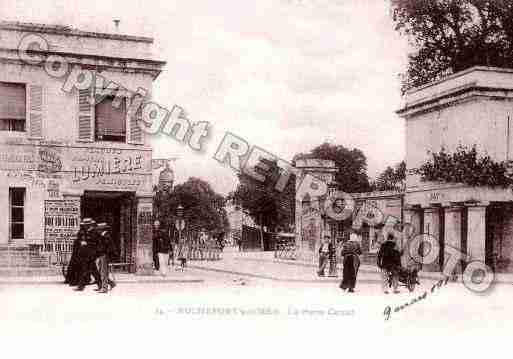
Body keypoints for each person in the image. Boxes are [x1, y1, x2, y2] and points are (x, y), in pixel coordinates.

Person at [74, 218, 101, 291]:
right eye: (84, 225)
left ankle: (81, 287)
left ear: (89, 225)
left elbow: (97, 243)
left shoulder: (95, 232)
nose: (84, 226)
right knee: (92, 271)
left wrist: (87, 243)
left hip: (91, 254)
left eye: (86, 225)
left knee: (86, 270)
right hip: (86, 255)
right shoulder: (87, 232)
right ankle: (104, 284)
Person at [95, 223, 117, 294]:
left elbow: (108, 248)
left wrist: (106, 255)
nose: (98, 230)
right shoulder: (103, 236)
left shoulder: (106, 236)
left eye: (99, 229)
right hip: (101, 255)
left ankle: (104, 288)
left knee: (103, 272)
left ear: (102, 229)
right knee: (100, 271)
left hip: (104, 256)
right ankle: (111, 283)